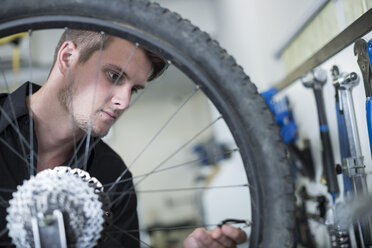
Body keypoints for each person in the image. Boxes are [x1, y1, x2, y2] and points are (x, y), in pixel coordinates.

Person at [0, 29, 246, 247]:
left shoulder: (113, 178)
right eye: (114, 76)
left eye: (134, 89)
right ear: (68, 57)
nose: (124, 101)